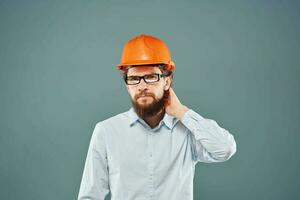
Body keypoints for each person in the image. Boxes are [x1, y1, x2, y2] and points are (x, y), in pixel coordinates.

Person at [77, 34, 237, 200]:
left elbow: (224, 149)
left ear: (166, 82)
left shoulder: (187, 130)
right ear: (127, 85)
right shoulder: (107, 131)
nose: (142, 86)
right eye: (134, 78)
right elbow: (90, 196)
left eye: (151, 77)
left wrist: (182, 112)